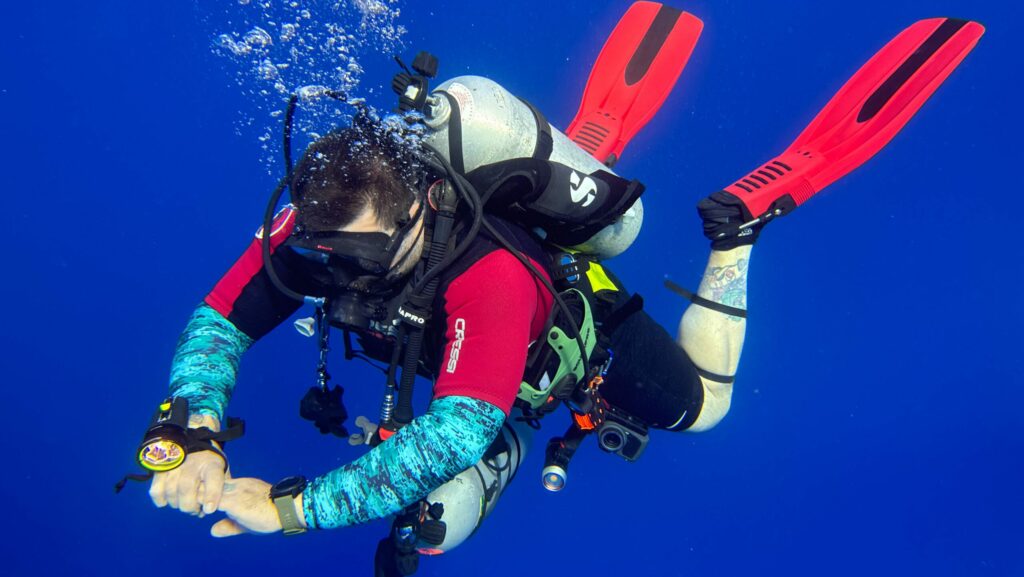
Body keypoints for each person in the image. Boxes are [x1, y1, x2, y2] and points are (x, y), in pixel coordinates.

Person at [134, 9, 982, 573]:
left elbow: (453, 434)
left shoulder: (490, 279)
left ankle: (739, 232)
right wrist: (193, 423)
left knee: (704, 408)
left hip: (566, 335)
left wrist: (290, 509)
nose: (338, 271)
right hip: (463, 362)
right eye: (327, 251)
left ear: (426, 204)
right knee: (429, 518)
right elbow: (220, 321)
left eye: (360, 253)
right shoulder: (318, 230)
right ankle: (581, 153)